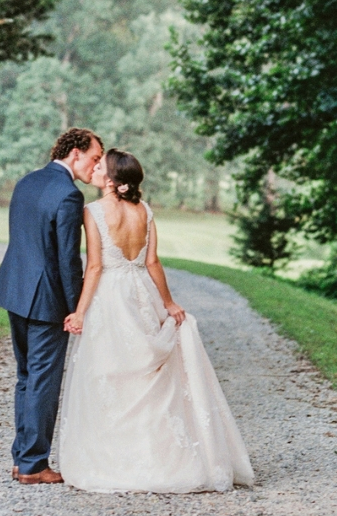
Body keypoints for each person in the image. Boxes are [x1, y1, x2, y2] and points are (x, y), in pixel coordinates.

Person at [55, 148, 255, 493]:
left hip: (110, 297)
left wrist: (80, 311)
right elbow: (153, 263)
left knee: (111, 373)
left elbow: (96, 267)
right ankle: (158, 455)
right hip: (142, 294)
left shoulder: (93, 212)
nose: (97, 169)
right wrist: (168, 302)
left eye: (102, 167)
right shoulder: (145, 211)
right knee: (150, 375)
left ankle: (119, 458)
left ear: (116, 182)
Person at [0, 127, 104, 484]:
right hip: (47, 299)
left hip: (14, 290)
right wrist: (76, 308)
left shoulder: (27, 181)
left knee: (26, 376)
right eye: (95, 158)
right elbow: (68, 260)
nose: (96, 166)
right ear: (76, 153)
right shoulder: (69, 194)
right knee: (43, 381)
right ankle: (35, 465)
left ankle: (22, 459)